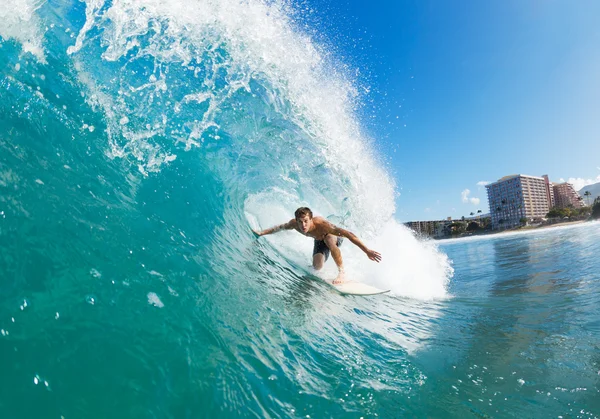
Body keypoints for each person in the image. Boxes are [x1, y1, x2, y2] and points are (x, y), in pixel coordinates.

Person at [252, 207, 381, 284]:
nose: (303, 225)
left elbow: (348, 234)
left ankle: (341, 272)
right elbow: (279, 227)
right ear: (296, 221)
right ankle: (319, 264)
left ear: (311, 219)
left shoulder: (322, 225)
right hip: (319, 240)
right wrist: (262, 232)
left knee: (329, 239)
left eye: (306, 221)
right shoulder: (294, 224)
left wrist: (367, 250)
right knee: (317, 267)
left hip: (334, 238)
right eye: (300, 221)